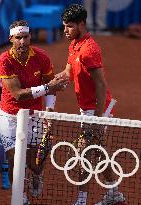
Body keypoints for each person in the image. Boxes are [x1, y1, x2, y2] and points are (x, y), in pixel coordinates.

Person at [56, 4, 125, 205]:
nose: (65, 31)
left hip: (97, 108)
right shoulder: (74, 44)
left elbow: (101, 86)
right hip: (87, 108)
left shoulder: (89, 50)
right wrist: (47, 83)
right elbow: (67, 74)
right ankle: (114, 194)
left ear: (81, 24)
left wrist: (97, 117)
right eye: (64, 26)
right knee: (98, 152)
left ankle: (81, 200)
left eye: (69, 26)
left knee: (83, 154)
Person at [0, 20, 68, 204]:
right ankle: (19, 197)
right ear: (11, 38)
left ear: (30, 37)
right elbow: (18, 95)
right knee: (14, 160)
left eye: (25, 37)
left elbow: (52, 89)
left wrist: (49, 112)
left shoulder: (42, 57)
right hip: (10, 115)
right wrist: (48, 86)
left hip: (34, 115)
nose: (22, 41)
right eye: (18, 38)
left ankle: (37, 175)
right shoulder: (4, 60)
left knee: (35, 163)